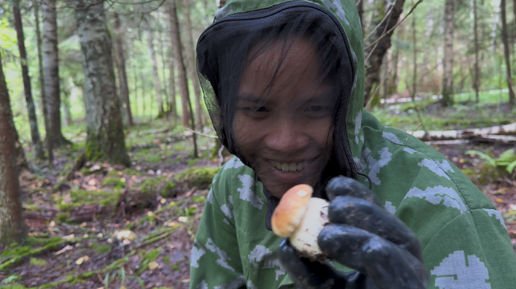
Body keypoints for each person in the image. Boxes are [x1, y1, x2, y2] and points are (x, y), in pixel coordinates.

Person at [189, 0, 516, 288]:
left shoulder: (443, 210)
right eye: (258, 110)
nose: (285, 141)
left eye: (315, 109)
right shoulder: (233, 190)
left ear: (347, 103)